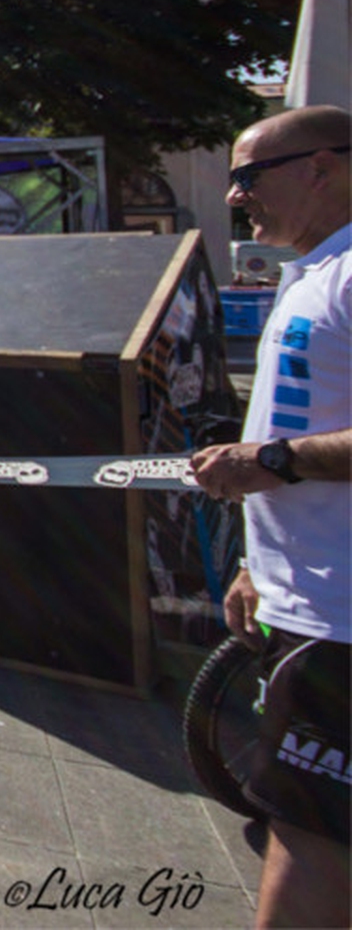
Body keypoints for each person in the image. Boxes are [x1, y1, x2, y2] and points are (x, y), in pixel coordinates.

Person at [189, 106, 350, 929]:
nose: (236, 195)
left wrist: (270, 463)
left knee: (310, 842)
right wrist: (260, 565)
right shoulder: (308, 273)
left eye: (249, 175)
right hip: (306, 603)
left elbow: (281, 448)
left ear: (321, 166)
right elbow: (292, 417)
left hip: (342, 621)